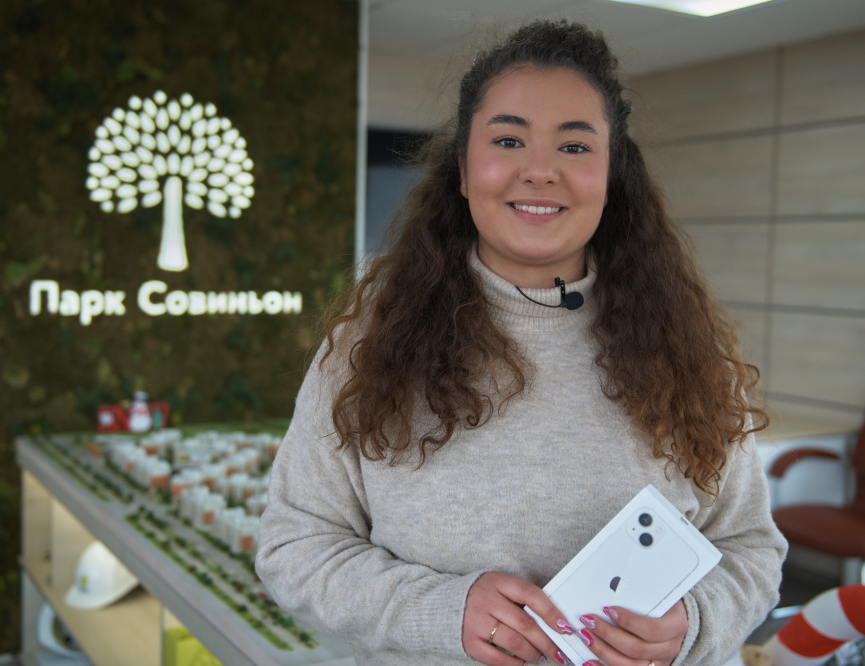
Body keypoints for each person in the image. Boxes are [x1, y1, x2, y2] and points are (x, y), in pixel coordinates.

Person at [256, 19, 787, 666]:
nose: (539, 171)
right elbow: (295, 548)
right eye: (508, 140)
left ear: (611, 174)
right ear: (461, 169)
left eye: (574, 146)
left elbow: (750, 549)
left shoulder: (687, 350)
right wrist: (444, 611)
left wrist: (694, 623)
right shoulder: (367, 347)